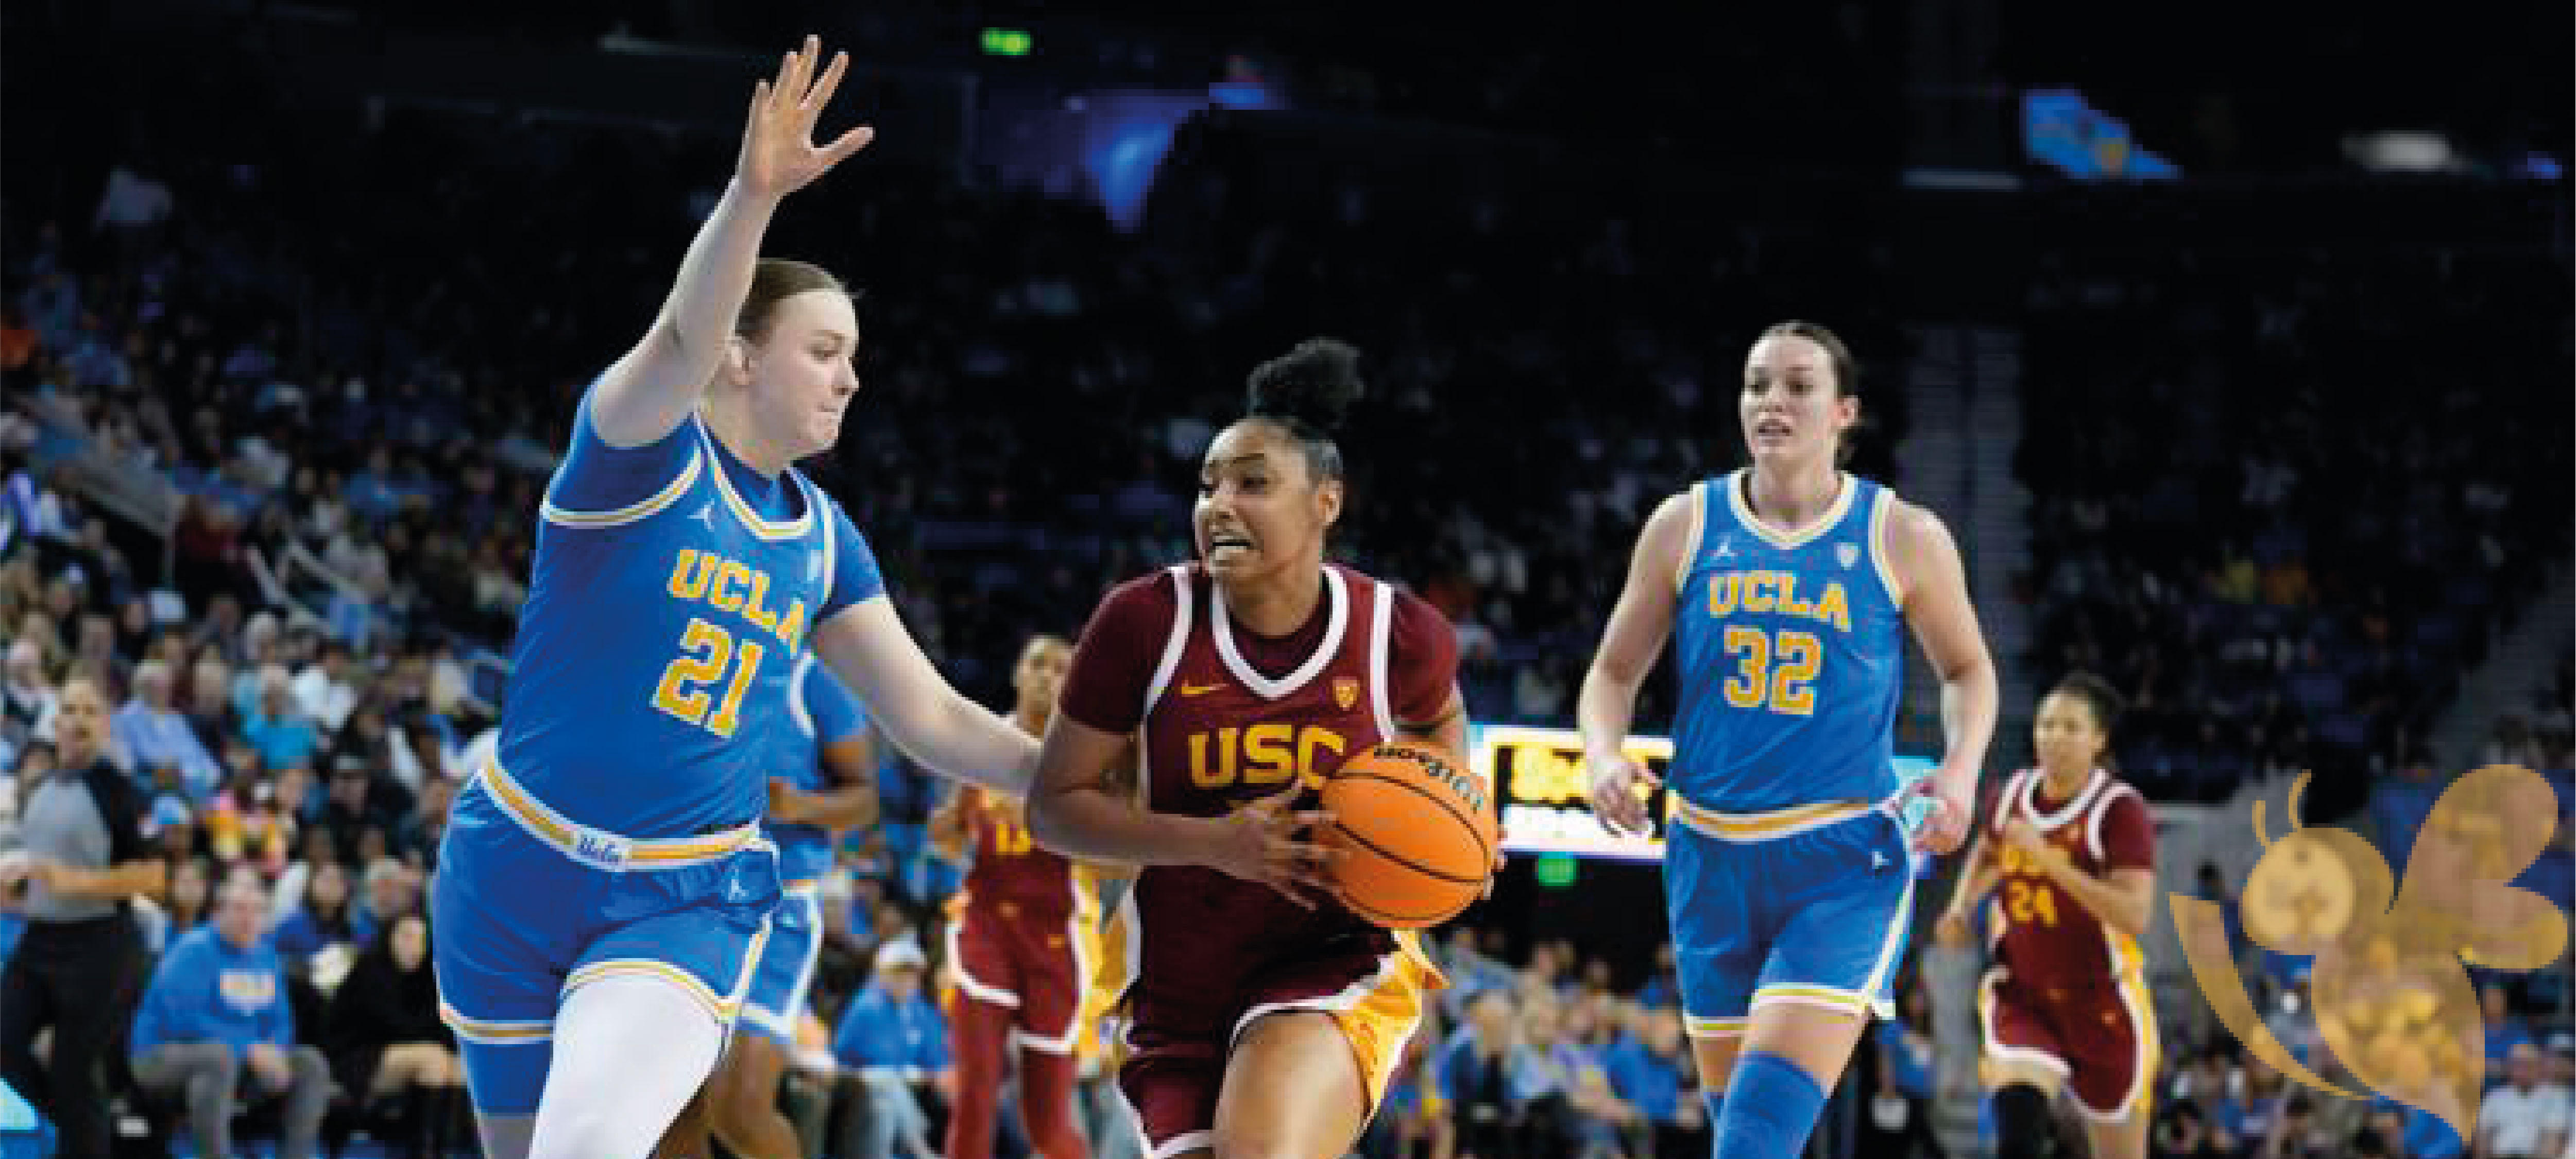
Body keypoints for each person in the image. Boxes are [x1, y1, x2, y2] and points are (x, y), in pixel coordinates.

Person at [429, 36, 1042, 1159]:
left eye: (855, 356)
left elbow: (937, 720)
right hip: (509, 864)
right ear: (743, 360)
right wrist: (753, 196)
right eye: (824, 349)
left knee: (588, 1147)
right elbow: (676, 336)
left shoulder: (823, 541)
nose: (851, 376)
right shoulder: (635, 454)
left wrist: (1088, 778)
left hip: (683, 893)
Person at [1026, 337, 1476, 1159]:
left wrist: (1461, 805)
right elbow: (1054, 807)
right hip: (1179, 982)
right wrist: (1215, 843)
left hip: (1334, 954)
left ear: (1326, 503)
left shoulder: (1394, 632)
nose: (1218, 503)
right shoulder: (1141, 623)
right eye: (1208, 484)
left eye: (1253, 483)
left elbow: (1444, 718)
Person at [1576, 320, 1998, 1157]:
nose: (1772, 401)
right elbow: (1611, 676)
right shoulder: (1684, 523)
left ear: (1844, 412)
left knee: (1757, 1139)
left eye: (1798, 386)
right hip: (1707, 856)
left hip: (1840, 862)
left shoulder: (1901, 534)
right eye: (1756, 383)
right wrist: (1601, 755)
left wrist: (1958, 774)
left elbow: (1968, 672)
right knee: (1742, 1130)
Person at [662, 650, 881, 1159]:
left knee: (739, 1109)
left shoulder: (814, 677)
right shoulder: (689, 650)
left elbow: (864, 801)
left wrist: (797, 805)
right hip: (686, 902)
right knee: (674, 1117)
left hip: (773, 911)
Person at [1934, 672, 2158, 1159]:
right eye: (2046, 724)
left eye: (2070, 727)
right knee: (2018, 1132)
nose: (2053, 736)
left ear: (2099, 740)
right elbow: (1989, 850)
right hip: (2023, 994)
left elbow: (2135, 915)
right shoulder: (2012, 792)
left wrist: (2049, 860)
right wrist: (1960, 904)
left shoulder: (2119, 811)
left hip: (2103, 1004)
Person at [928, 634, 1112, 1159]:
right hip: (986, 924)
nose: (1048, 677)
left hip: (1058, 939)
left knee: (1046, 1126)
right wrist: (946, 828)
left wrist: (1047, 826)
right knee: (976, 1095)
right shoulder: (984, 744)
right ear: (1017, 673)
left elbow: (1124, 861)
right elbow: (950, 839)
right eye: (1037, 665)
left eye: (1061, 669)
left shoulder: (1091, 760)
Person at [0, 675, 164, 1159]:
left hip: (102, 945)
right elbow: (39, 876)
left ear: (106, 725)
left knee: (77, 1070)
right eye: (70, 710)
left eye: (90, 711)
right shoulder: (41, 790)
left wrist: (77, 882)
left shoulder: (118, 790)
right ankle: (55, 1130)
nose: (78, 720)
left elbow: (153, 876)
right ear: (55, 722)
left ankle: (75, 1142)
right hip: (42, 941)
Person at [129, 868, 334, 1159]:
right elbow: (183, 1022)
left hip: (238, 1061)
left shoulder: (266, 956)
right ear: (217, 914)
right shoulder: (192, 951)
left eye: (257, 911)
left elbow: (280, 1020)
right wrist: (248, 1048)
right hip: (159, 1056)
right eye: (239, 910)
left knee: (311, 1063)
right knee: (218, 1057)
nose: (248, 918)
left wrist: (275, 1051)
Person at [327, 913, 466, 1159]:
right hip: (356, 1059)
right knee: (433, 1059)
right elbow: (398, 1027)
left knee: (456, 1067)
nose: (414, 946)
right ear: (390, 938)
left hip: (407, 1057)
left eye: (422, 939)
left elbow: (446, 1028)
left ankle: (441, 1151)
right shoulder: (370, 970)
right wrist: (433, 1029)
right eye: (407, 936)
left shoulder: (427, 976)